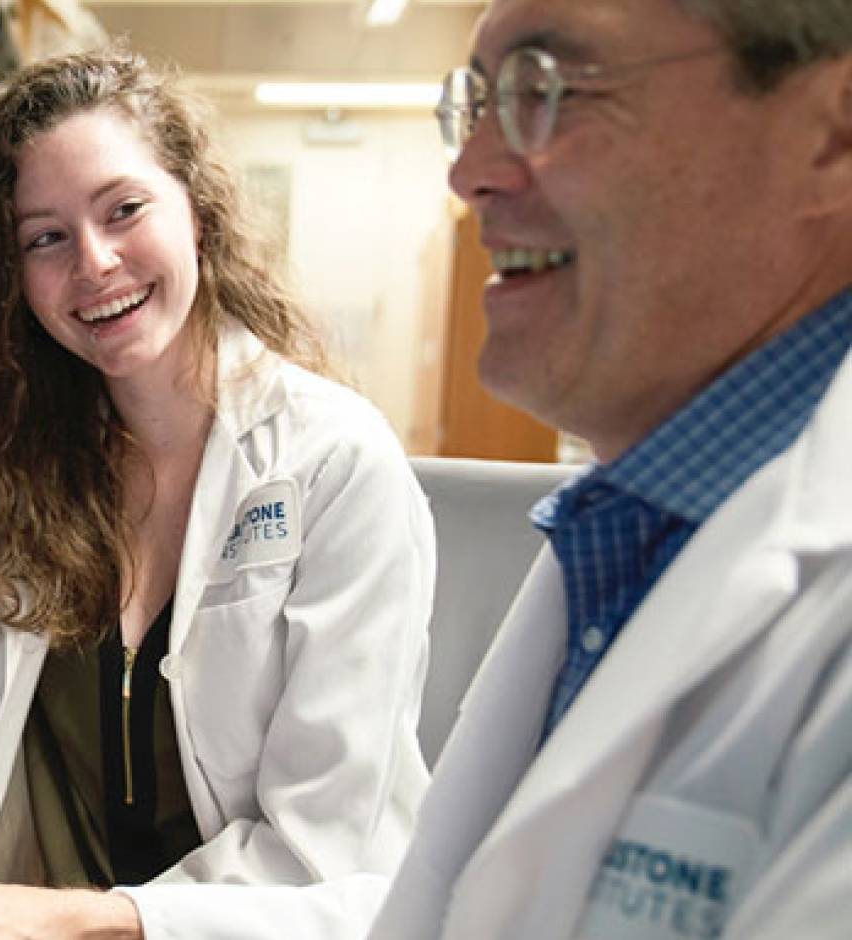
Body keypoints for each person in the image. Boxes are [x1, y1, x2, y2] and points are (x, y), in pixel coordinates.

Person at [0, 48, 437, 938]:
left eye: (124, 210)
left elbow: (317, 850)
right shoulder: (7, 455)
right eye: (44, 238)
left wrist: (47, 918)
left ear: (198, 213)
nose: (94, 262)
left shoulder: (336, 464)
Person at [365, 0, 852, 937]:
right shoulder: (623, 525)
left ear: (832, 132)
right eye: (478, 103)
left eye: (548, 88)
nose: (469, 174)